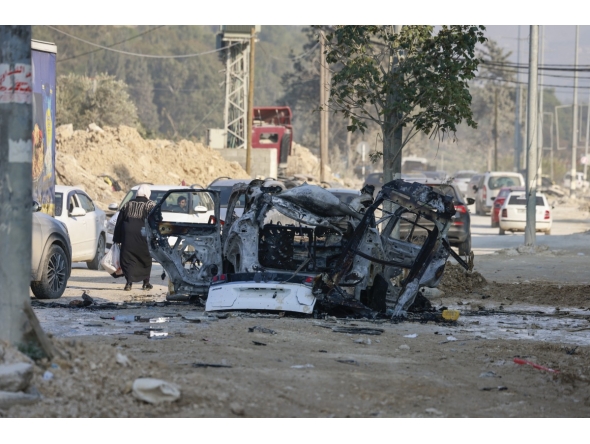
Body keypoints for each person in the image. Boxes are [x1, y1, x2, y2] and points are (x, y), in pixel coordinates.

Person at [113, 184, 156, 291]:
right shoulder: (150, 205)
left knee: (128, 259)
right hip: (143, 236)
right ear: (147, 193)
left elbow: (119, 221)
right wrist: (156, 237)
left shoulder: (128, 204)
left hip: (128, 237)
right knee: (145, 259)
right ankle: (146, 283)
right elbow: (155, 221)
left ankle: (129, 283)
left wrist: (117, 238)